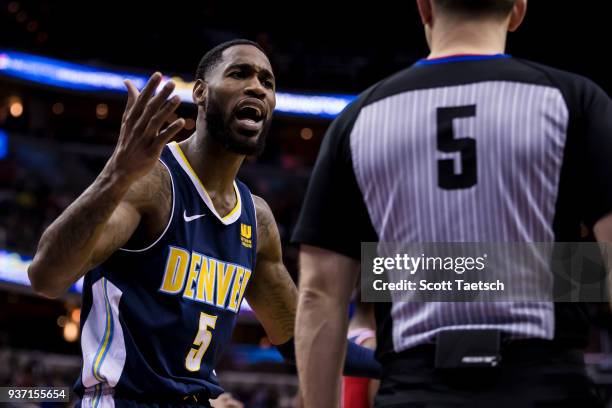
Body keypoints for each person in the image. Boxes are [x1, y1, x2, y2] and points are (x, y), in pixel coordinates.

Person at [292, 0, 612, 406]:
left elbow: (320, 294)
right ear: (518, 10)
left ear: (424, 8)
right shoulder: (575, 100)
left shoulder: (357, 119)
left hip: (414, 388)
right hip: (546, 385)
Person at [27, 39, 378, 407]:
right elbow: (46, 277)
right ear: (200, 92)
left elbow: (302, 339)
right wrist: (115, 175)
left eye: (267, 82)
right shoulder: (153, 183)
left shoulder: (256, 220)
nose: (257, 86)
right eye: (239, 73)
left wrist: (397, 363)